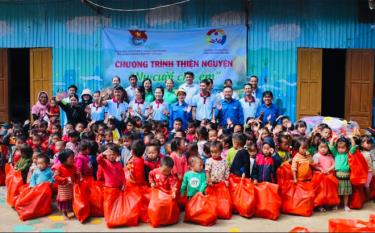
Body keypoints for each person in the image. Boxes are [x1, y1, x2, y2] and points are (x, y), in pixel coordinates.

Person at [329, 135, 357, 211]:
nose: (340, 149)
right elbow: (331, 147)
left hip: (346, 177)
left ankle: (345, 205)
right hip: (337, 177)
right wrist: (334, 138)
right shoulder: (336, 154)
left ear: (347, 148)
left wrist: (351, 138)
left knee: (346, 193)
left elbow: (353, 147)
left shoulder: (348, 154)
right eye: (339, 148)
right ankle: (336, 204)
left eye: (343, 147)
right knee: (337, 192)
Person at [54, 149, 78, 219]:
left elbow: (76, 175)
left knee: (71, 198)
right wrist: (64, 179)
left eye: (73, 158)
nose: (73, 160)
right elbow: (56, 177)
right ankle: (66, 212)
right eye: (71, 158)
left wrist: (78, 176)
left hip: (71, 186)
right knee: (64, 199)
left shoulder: (73, 167)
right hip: (63, 187)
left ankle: (70, 210)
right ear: (64, 160)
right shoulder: (59, 167)